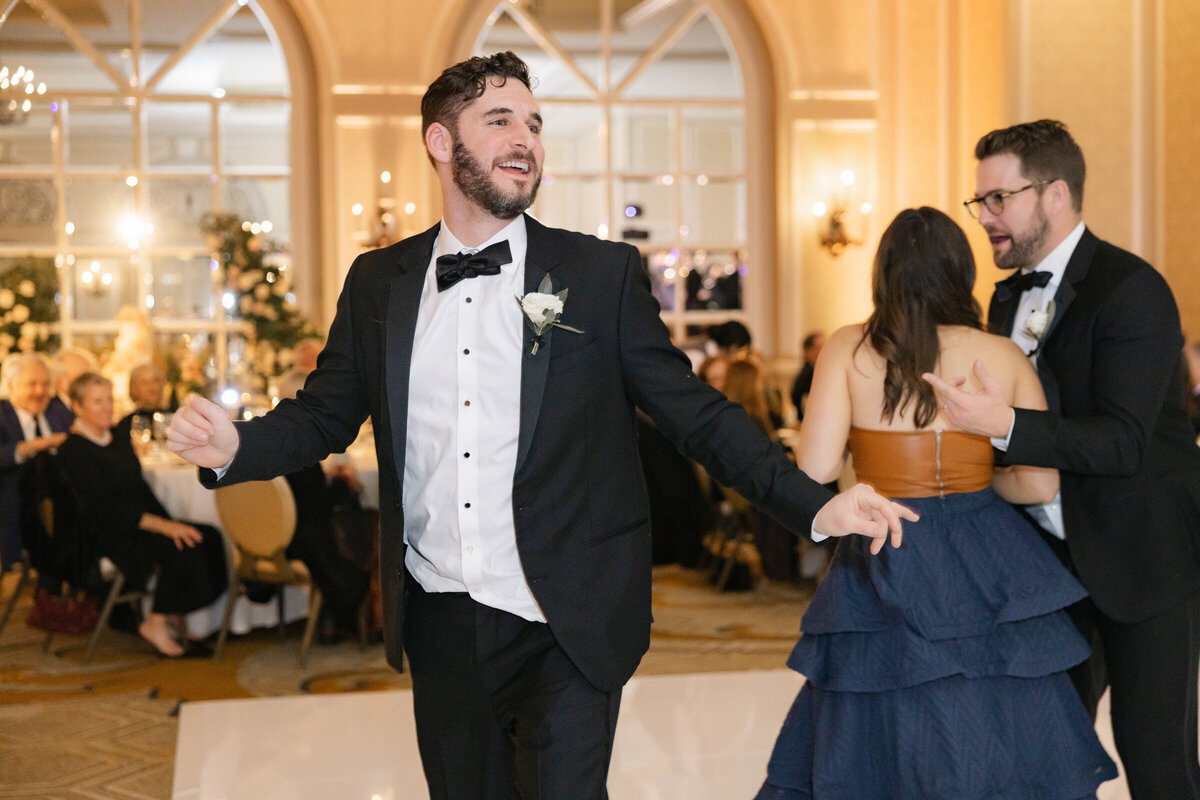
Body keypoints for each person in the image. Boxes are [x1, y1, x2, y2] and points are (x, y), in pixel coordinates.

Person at [167, 51, 916, 798]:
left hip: (568, 618)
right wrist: (237, 443)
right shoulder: (378, 282)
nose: (525, 139)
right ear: (439, 141)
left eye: (533, 123)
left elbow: (697, 416)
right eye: (499, 121)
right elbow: (326, 413)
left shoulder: (598, 276)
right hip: (440, 617)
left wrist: (814, 504)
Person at [757, 207, 1116, 798]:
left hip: (887, 540)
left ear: (883, 273)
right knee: (1000, 711)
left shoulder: (850, 347)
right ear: (960, 272)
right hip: (990, 546)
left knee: (884, 708)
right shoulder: (1001, 354)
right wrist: (978, 483)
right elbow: (1040, 485)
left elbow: (816, 469)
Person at [925, 119, 1200, 799]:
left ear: (1053, 194)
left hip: (1144, 562)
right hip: (1049, 573)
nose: (984, 216)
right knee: (1043, 755)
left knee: (1155, 756)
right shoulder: (1005, 296)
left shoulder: (1131, 289)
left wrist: (1005, 425)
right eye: (979, 201)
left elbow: (1122, 442)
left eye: (998, 199)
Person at [55, 372, 226, 657]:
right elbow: (102, 509)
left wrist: (171, 522)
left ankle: (173, 612)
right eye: (97, 401)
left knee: (208, 537)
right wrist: (163, 527)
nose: (107, 407)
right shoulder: (73, 451)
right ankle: (156, 622)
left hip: (136, 522)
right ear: (77, 405)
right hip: (104, 533)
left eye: (109, 400)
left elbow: (140, 490)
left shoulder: (119, 438)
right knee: (181, 547)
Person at [0, 354, 69, 570]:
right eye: (32, 384)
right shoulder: (1, 415)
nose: (40, 392)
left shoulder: (58, 413)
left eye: (45, 384)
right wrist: (34, 446)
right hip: (16, 502)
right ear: (11, 386)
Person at [112, 362, 170, 445]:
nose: (151, 388)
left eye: (155, 381)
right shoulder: (127, 424)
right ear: (134, 388)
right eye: (144, 383)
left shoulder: (172, 419)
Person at [45, 347, 97, 430]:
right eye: (82, 379)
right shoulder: (50, 411)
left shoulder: (91, 406)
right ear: (60, 380)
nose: (91, 384)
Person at [789, 331, 824, 422]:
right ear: (809, 350)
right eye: (820, 347)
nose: (825, 350)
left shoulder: (815, 370)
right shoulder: (808, 373)